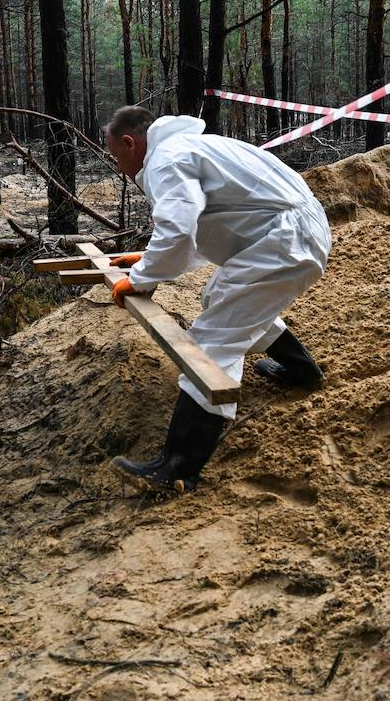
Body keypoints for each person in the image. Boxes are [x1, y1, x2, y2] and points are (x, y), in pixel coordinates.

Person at [103, 106, 332, 493]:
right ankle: (301, 371)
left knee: (213, 341)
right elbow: (205, 227)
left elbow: (178, 231)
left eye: (116, 155)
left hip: (284, 241)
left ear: (129, 143)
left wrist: (141, 279)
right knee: (225, 302)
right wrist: (149, 258)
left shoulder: (166, 160)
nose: (118, 165)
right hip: (292, 234)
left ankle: (177, 468)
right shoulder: (191, 147)